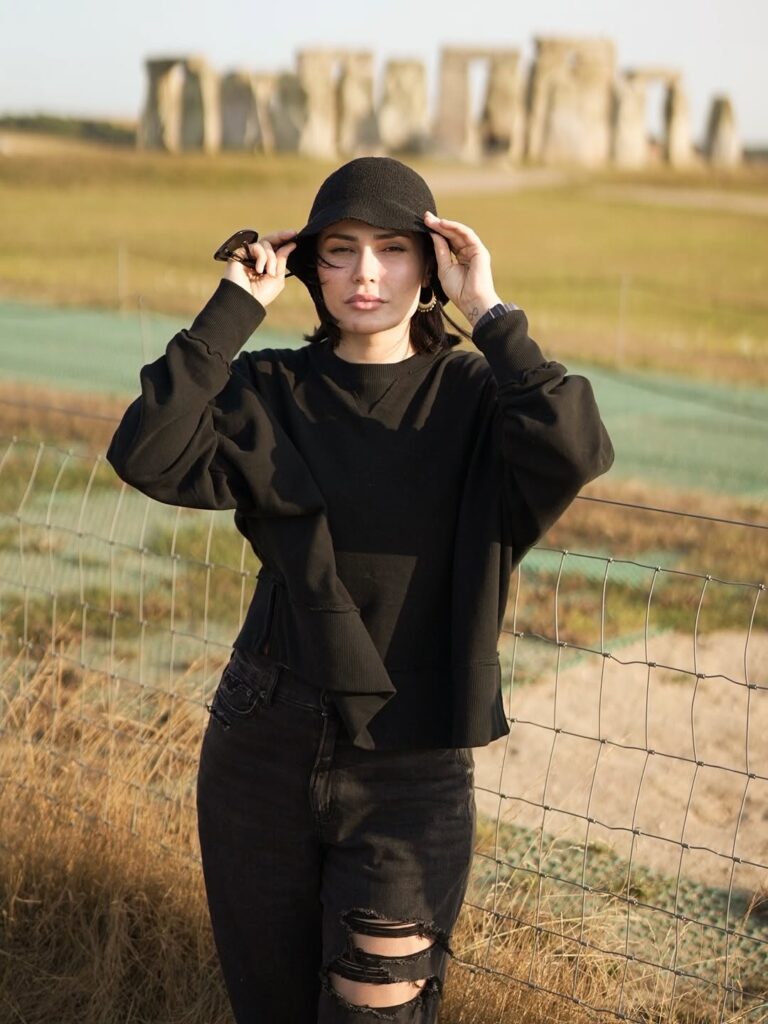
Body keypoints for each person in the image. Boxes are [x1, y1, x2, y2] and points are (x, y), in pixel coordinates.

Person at [107, 156, 614, 1023]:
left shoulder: (475, 394)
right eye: (340, 251)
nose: (366, 274)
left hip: (412, 764)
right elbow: (147, 452)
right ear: (312, 267)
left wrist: (490, 311)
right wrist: (234, 306)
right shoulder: (271, 388)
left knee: (376, 1008)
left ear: (431, 266)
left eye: (392, 249)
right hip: (263, 737)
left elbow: (574, 445)